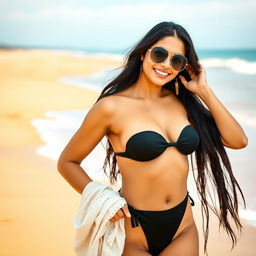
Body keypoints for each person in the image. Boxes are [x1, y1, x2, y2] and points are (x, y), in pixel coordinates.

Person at [57, 21, 248, 256]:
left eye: (177, 60)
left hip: (183, 226)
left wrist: (204, 92)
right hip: (134, 230)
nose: (166, 65)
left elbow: (237, 140)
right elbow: (67, 162)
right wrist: (103, 199)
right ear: (143, 53)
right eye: (160, 54)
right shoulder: (111, 108)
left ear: (183, 67)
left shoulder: (182, 103)